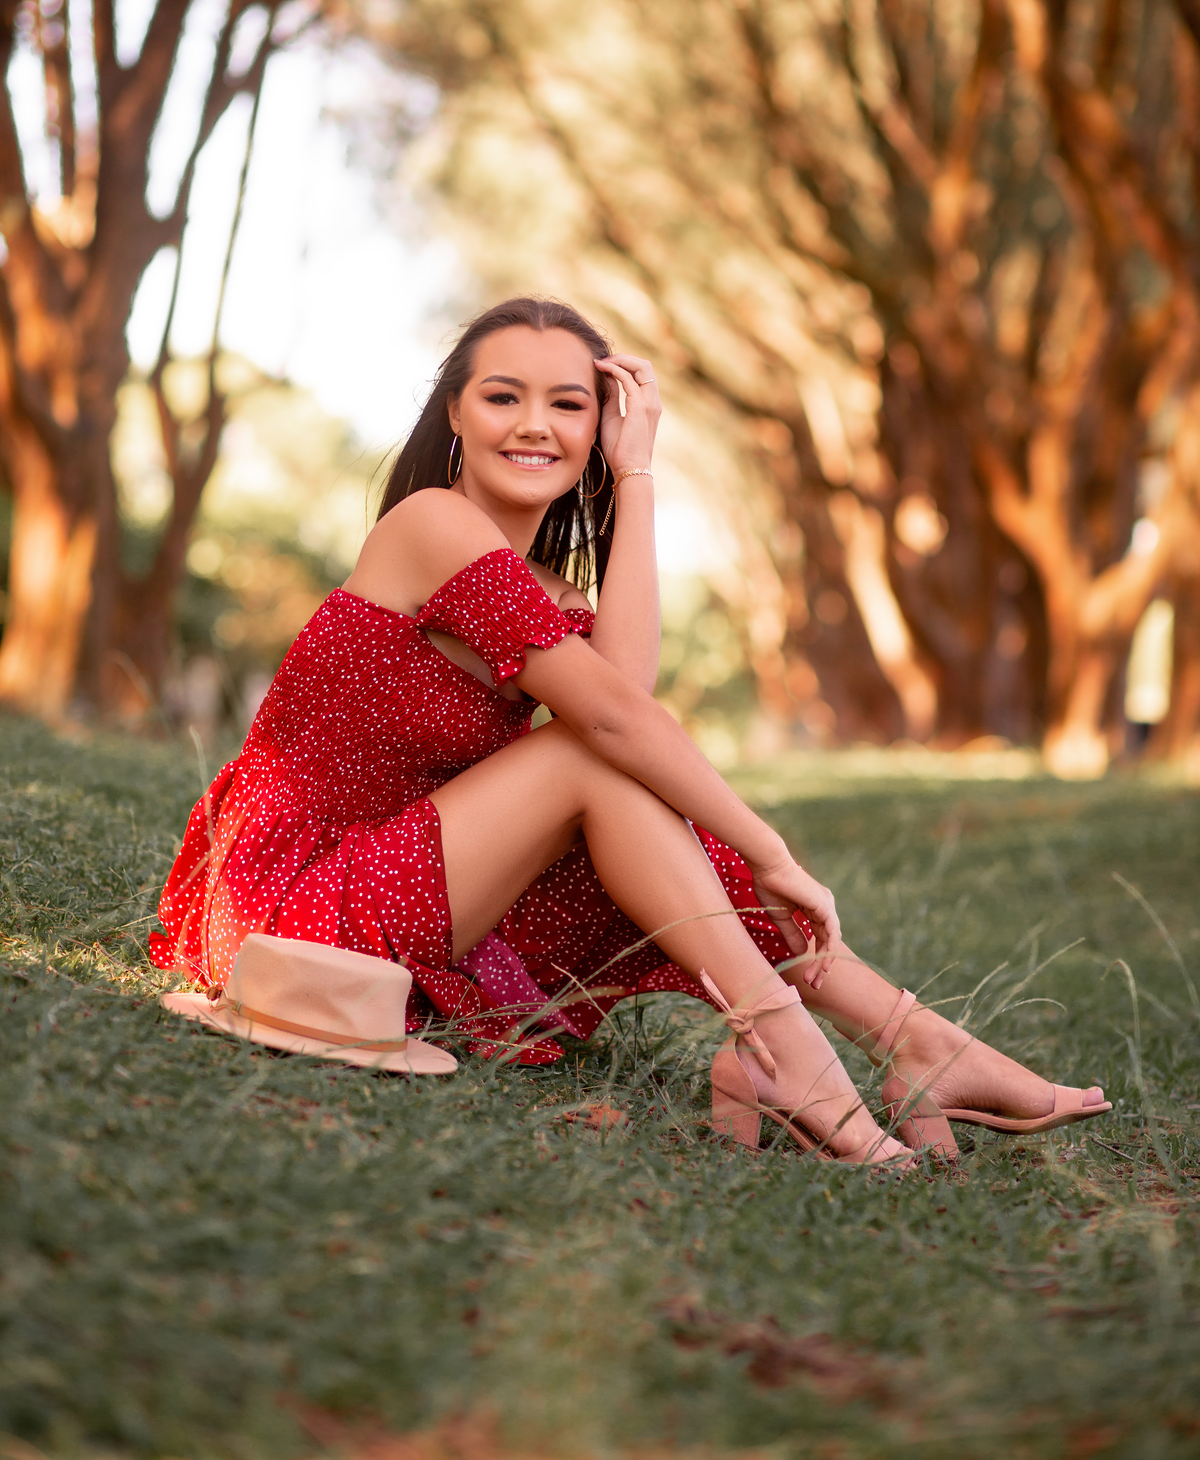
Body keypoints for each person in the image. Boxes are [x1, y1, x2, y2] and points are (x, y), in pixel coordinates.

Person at [152, 297, 1111, 1167]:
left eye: (569, 405)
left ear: (595, 427)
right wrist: (768, 846)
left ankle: (903, 1044)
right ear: (454, 413)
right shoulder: (430, 525)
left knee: (617, 780)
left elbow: (627, 700)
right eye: (502, 396)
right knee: (586, 751)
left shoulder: (551, 596)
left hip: (392, 900)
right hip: (287, 911)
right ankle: (827, 1045)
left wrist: (640, 470)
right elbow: (612, 720)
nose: (535, 424)